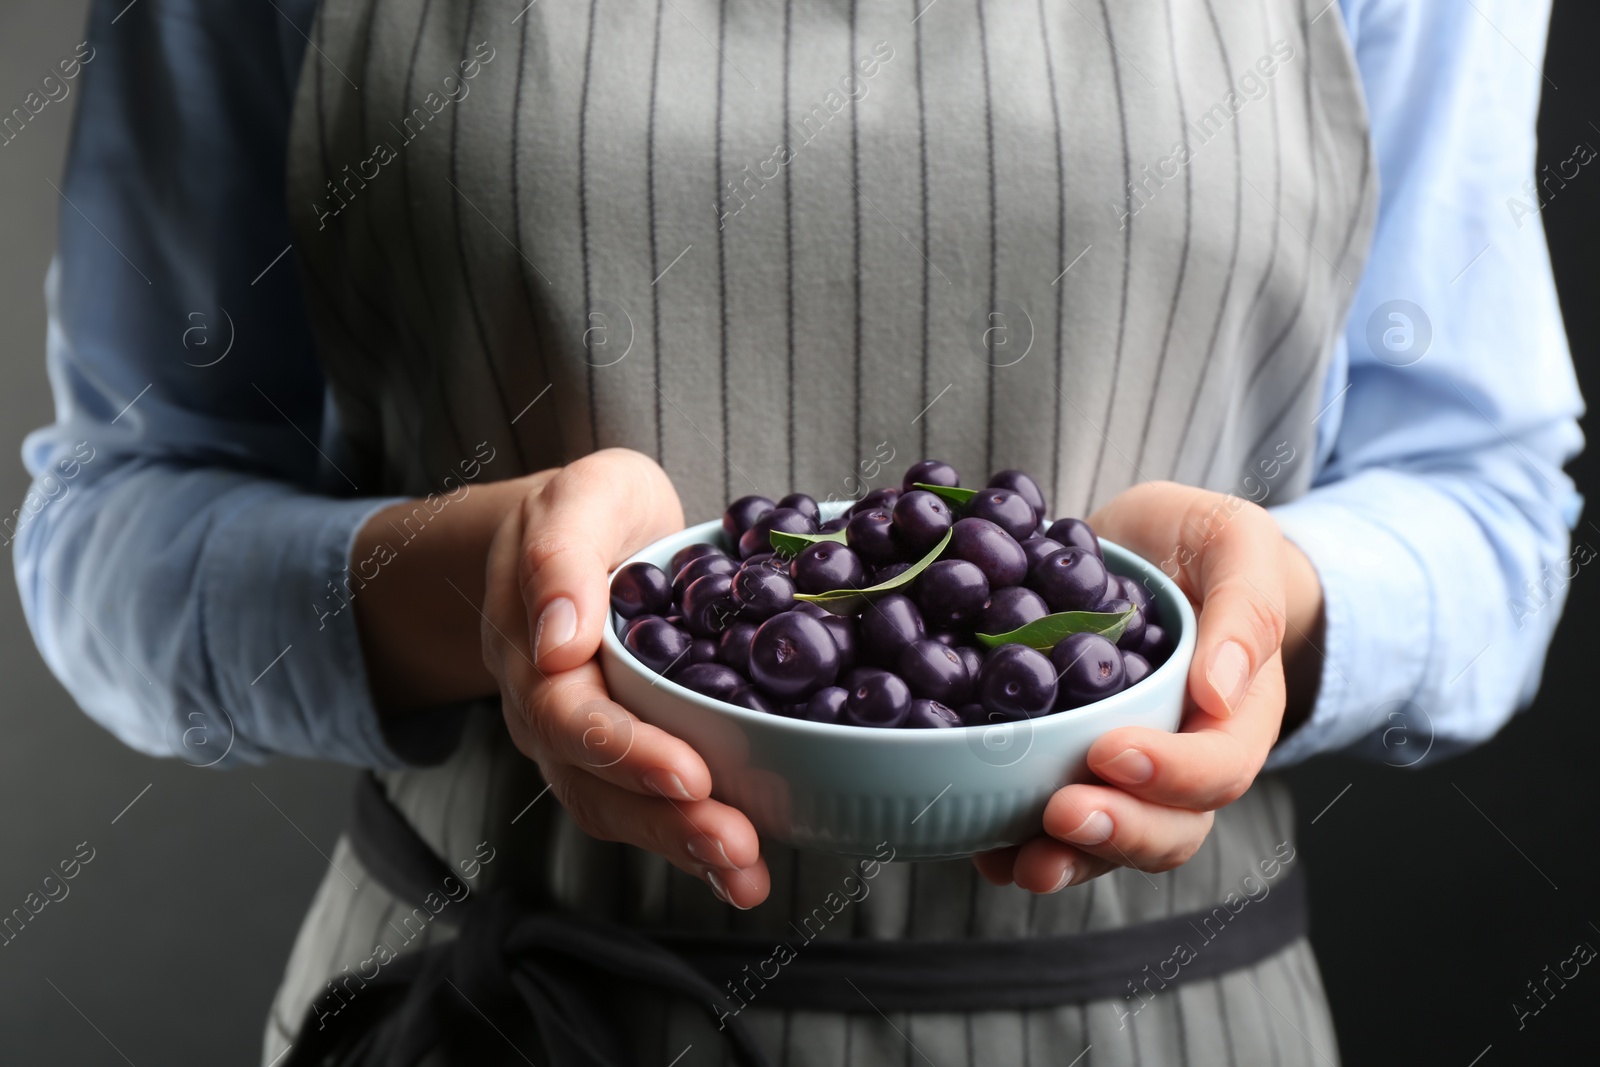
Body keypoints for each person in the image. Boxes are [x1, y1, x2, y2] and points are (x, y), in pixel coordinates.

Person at [15, 0, 1581, 1063]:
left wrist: (1280, 611)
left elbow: (1491, 508)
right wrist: (478, 593)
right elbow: (120, 515)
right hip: (498, 1023)